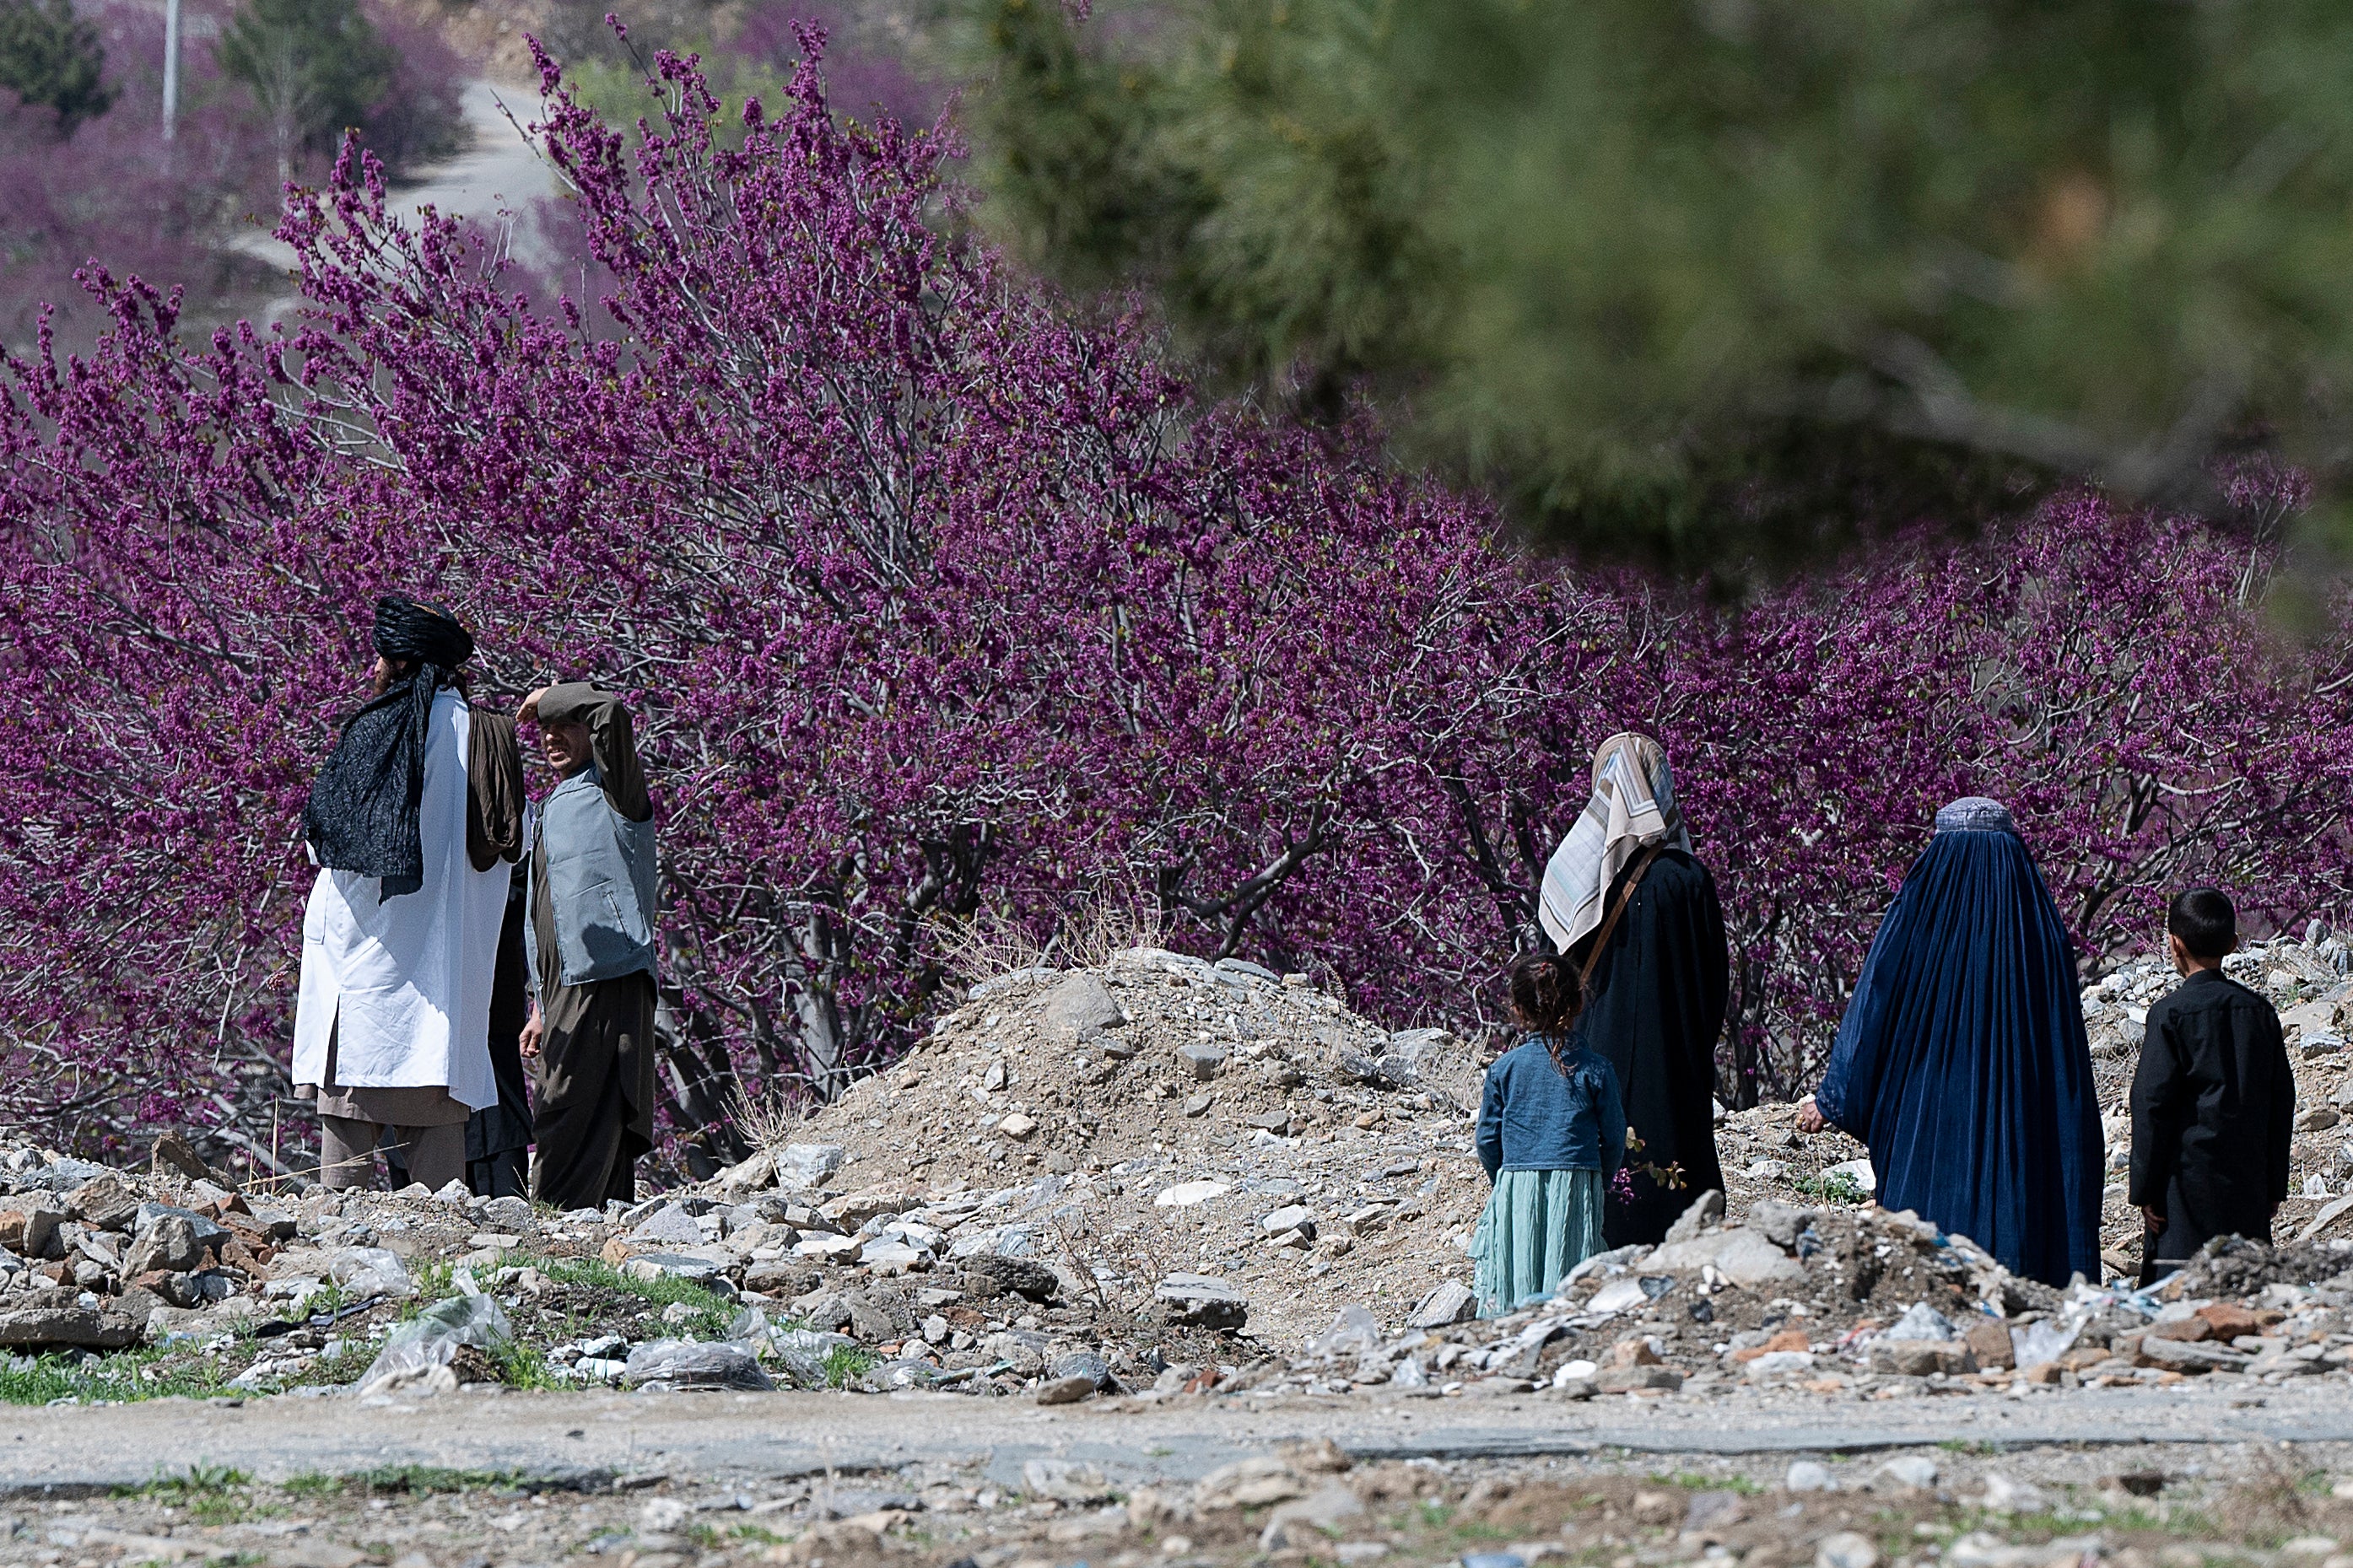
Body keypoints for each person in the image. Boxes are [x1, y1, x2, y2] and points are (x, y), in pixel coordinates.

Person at [1800, 797, 2102, 1287]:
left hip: (1928, 1116)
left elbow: (1874, 1002)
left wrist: (1836, 1095)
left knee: (1928, 1251)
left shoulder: (1917, 917)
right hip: (2022, 1117)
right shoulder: (2039, 927)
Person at [292, 597, 521, 1192]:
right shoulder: (489, 738)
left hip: (364, 971)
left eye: (381, 658)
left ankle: (334, 1268)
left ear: (403, 665)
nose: (372, 670)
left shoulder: (381, 733)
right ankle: (439, 1269)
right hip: (451, 990)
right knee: (442, 1187)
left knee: (343, 1165)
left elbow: (325, 840)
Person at [1537, 732, 1729, 1247]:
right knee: (1674, 1173)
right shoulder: (1687, 880)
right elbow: (1714, 987)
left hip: (1591, 1056)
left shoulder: (1573, 877)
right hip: (1673, 1068)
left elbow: (1548, 979)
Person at [518, 682, 659, 1210]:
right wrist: (538, 1005)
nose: (551, 736)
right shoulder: (552, 803)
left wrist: (546, 697)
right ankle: (593, 1230)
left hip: (607, 972)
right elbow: (547, 913)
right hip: (563, 987)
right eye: (544, 730)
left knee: (568, 1103)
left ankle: (554, 1222)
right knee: (583, 1108)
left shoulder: (614, 787)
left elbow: (611, 711)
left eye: (564, 725)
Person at [2130, 887, 2295, 1285]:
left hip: (2183, 1192)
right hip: (2247, 1185)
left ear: (2174, 942)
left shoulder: (2169, 1015)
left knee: (2178, 1294)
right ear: (2234, 944)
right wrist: (2274, 1184)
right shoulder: (2259, 1012)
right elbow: (2281, 1101)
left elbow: (2151, 1104)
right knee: (2247, 1288)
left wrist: (2145, 1191)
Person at [1472, 952, 1626, 1317]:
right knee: (1569, 1282)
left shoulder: (1503, 1069)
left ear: (1518, 1010)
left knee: (1516, 1277)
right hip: (1576, 1184)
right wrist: (1598, 1179)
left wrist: (1505, 1178)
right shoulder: (1597, 1070)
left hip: (1516, 1186)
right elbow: (1615, 1138)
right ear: (1578, 1002)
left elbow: (1486, 1139)